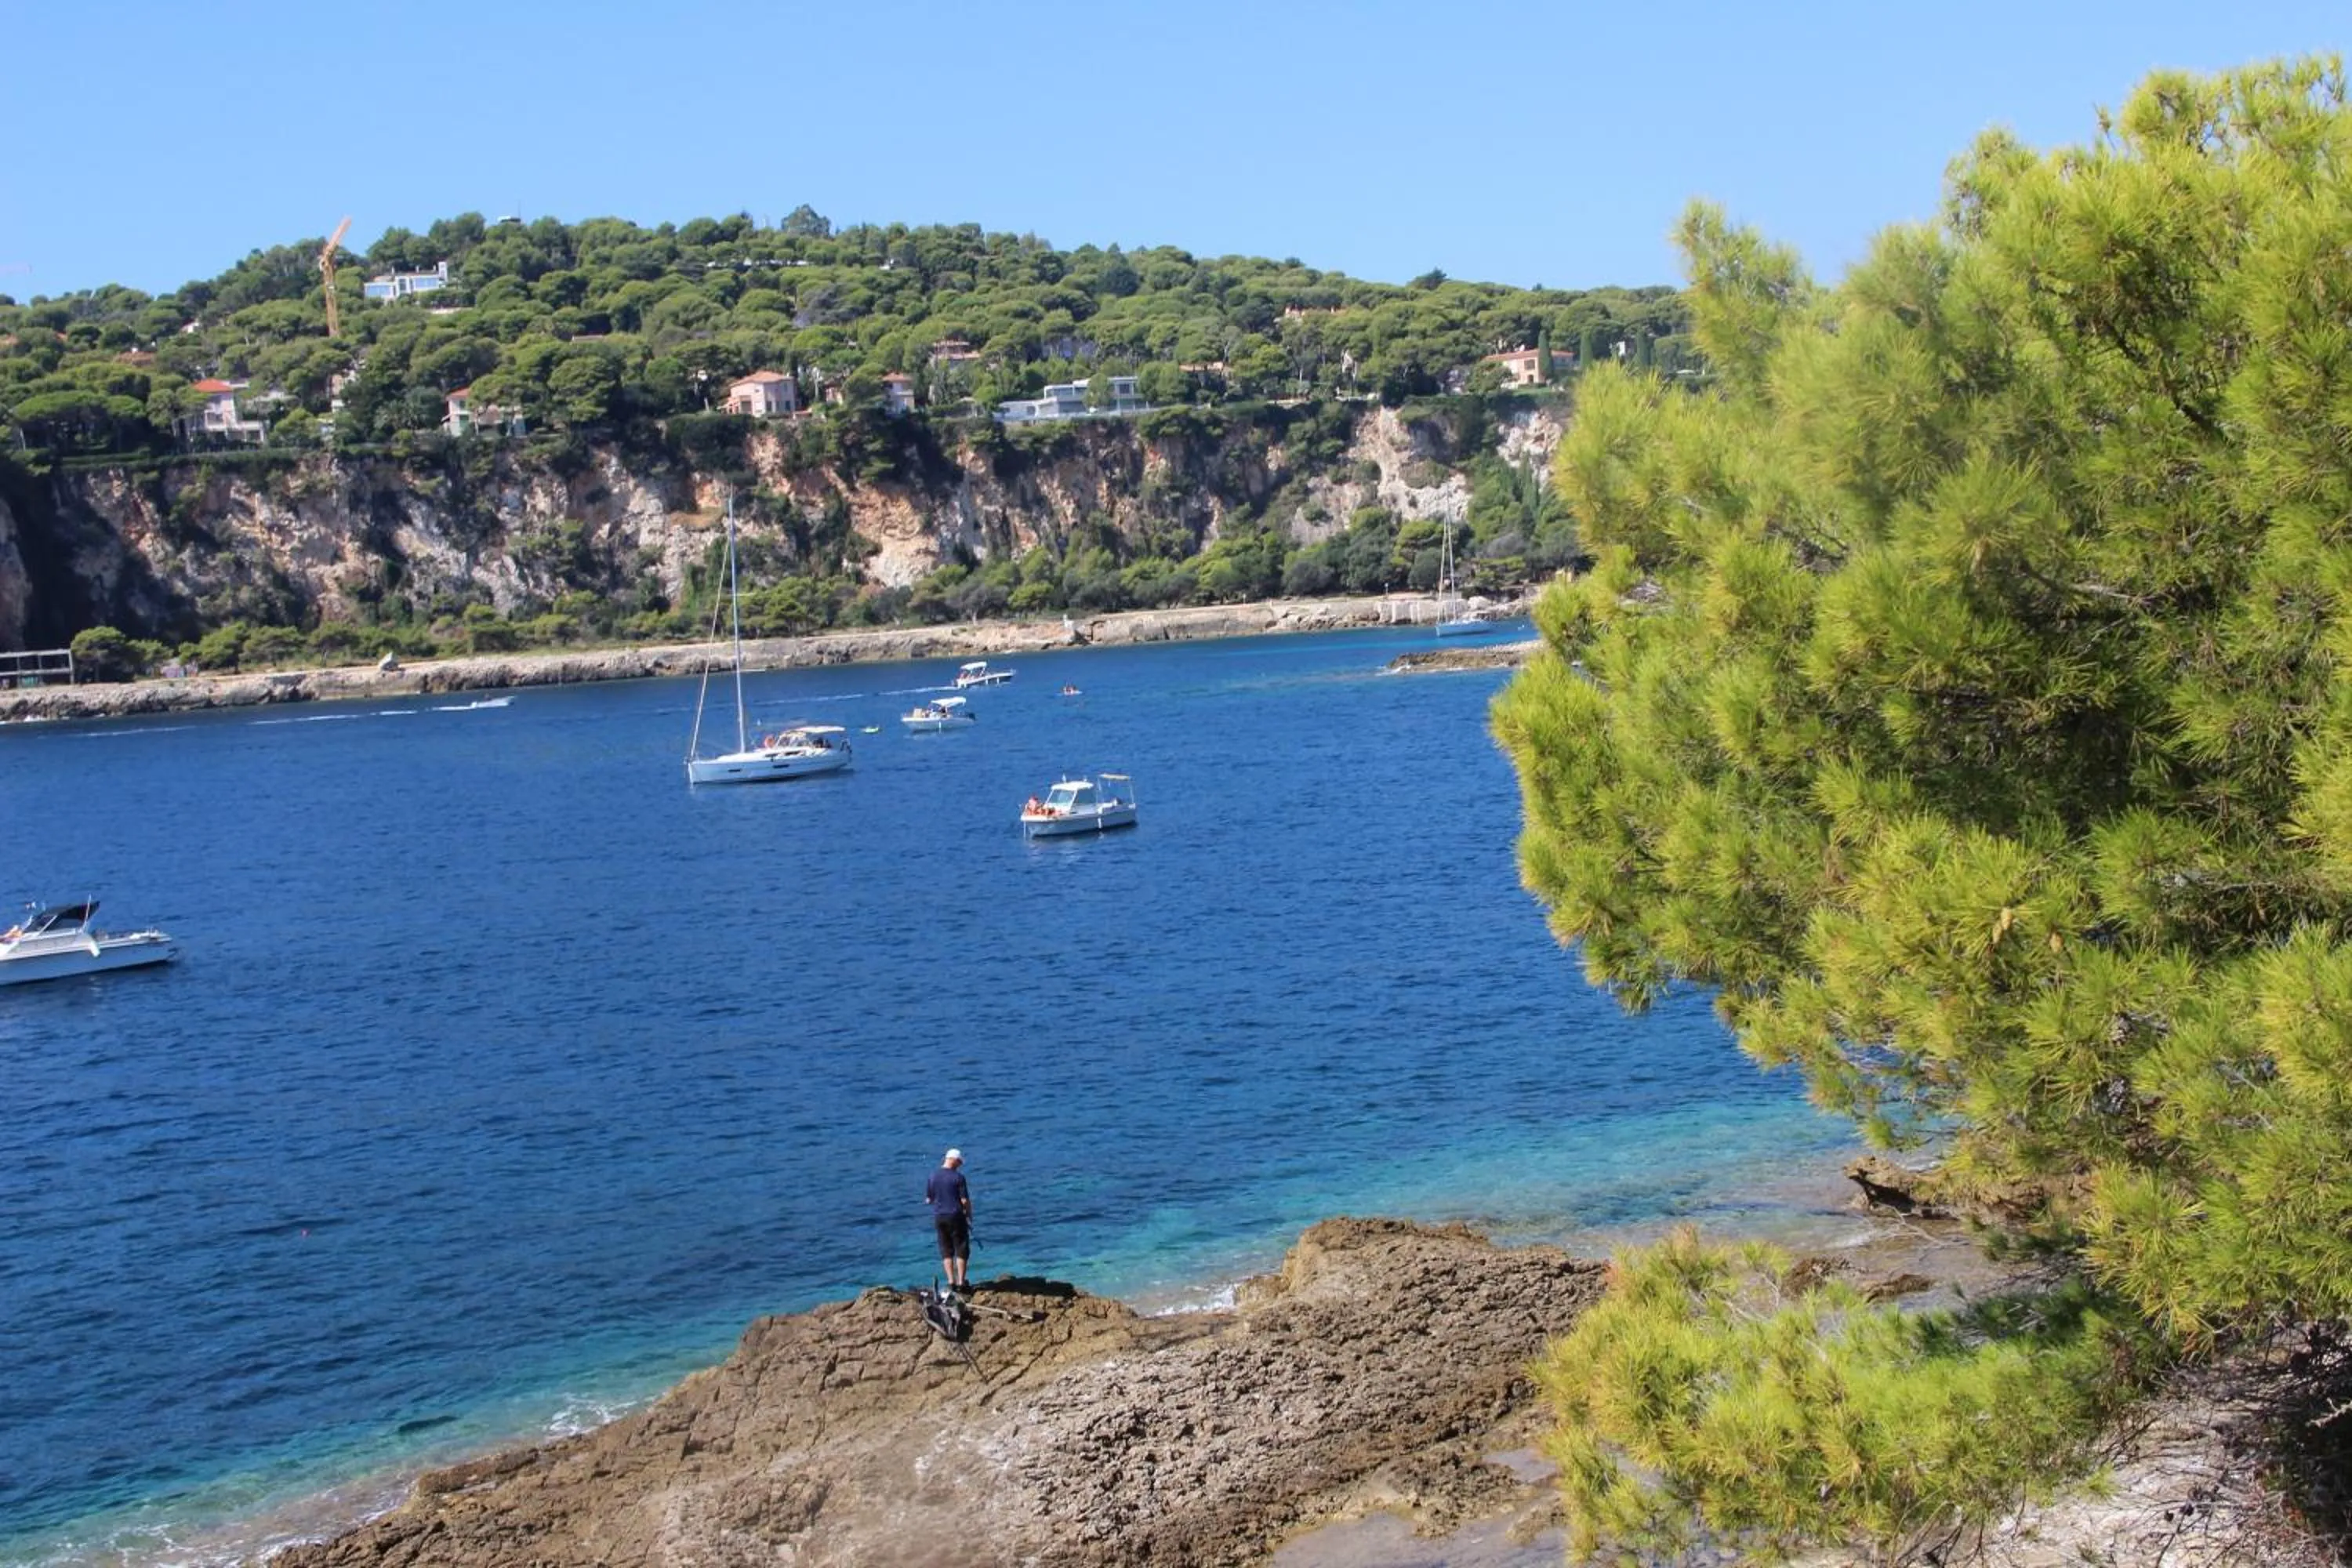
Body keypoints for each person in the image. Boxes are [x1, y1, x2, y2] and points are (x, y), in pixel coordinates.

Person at [925, 1147, 972, 1292]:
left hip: (940, 1217)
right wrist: (969, 1215)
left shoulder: (933, 1176)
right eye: (959, 1162)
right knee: (962, 1248)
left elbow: (929, 1200)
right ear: (952, 1160)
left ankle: (951, 1282)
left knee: (946, 1250)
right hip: (956, 1215)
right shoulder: (958, 1177)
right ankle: (961, 1283)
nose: (960, 1165)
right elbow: (964, 1201)